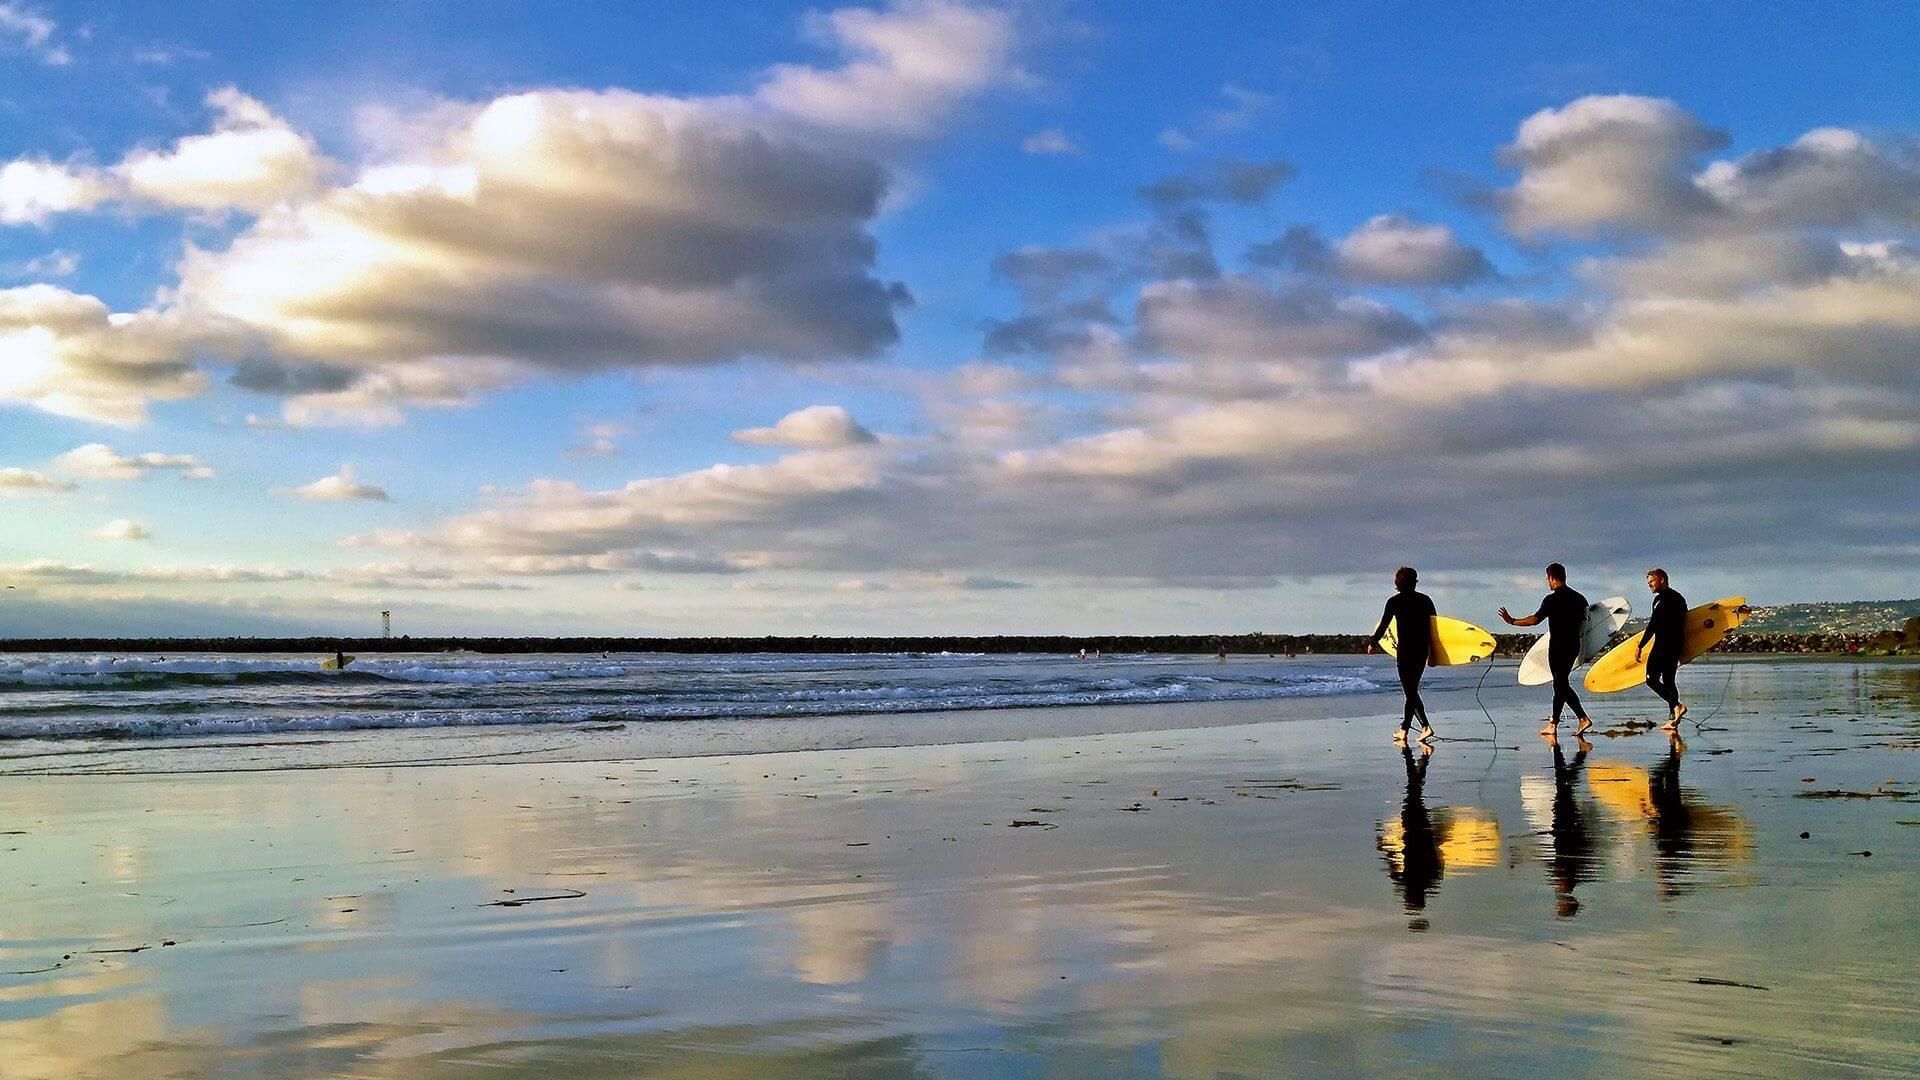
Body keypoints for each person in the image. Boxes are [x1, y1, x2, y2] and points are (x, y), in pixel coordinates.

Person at [1498, 562, 1593, 738]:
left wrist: (1512, 621)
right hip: (1573, 646)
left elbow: (1534, 620)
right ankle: (1580, 718)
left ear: (1551, 577)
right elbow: (1587, 622)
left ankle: (1556, 723)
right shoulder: (1580, 598)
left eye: (1547, 578)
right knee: (1561, 684)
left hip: (1557, 647)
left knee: (1560, 684)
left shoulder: (1551, 599)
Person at [1368, 566, 1437, 744]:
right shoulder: (1426, 600)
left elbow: (1383, 626)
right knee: (1411, 690)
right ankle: (1406, 729)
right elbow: (1436, 630)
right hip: (1422, 650)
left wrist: (1372, 643)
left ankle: (1423, 727)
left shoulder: (1394, 602)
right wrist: (1433, 654)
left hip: (1405, 651)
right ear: (1415, 582)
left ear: (1398, 583)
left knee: (1410, 691)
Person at [1637, 567, 1688, 728]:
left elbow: (1653, 625)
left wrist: (1640, 646)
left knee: (1651, 679)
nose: (1649, 585)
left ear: (1661, 580)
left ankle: (1676, 706)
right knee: (1668, 681)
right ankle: (1674, 718)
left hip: (1665, 645)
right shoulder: (1674, 599)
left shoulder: (1668, 599)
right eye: (1648, 582)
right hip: (1674, 644)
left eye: (1652, 581)